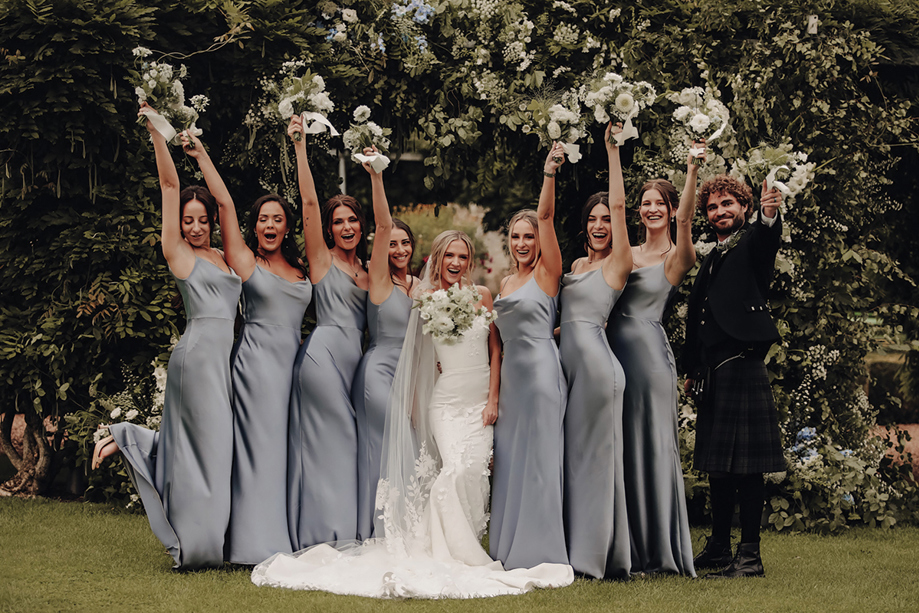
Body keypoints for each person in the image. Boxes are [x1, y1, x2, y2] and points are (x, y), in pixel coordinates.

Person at [251, 231, 573, 597]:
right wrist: (419, 403)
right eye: (449, 255)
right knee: (454, 470)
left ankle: (462, 541)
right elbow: (420, 358)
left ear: (469, 261)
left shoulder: (482, 295)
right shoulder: (425, 300)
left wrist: (493, 399)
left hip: (480, 399)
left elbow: (495, 349)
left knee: (475, 474)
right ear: (438, 258)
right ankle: (451, 550)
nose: (456, 263)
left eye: (463, 257)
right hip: (446, 402)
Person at [91, 104, 241, 569]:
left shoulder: (222, 256)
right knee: (210, 450)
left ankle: (127, 437)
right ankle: (200, 547)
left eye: (201, 219)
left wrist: (200, 154)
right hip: (196, 357)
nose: (193, 226)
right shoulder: (178, 254)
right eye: (187, 220)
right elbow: (170, 185)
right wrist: (159, 130)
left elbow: (228, 202)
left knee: (213, 450)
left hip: (222, 361)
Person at [182, 131, 312, 565]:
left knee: (284, 454)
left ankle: (282, 534)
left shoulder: (299, 267)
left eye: (277, 219)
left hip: (292, 370)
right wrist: (201, 154)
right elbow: (223, 206)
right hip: (255, 368)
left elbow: (313, 210)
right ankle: (252, 546)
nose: (270, 226)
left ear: (287, 226)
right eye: (263, 220)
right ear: (254, 227)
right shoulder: (245, 261)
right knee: (259, 453)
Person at [606, 144, 706, 577]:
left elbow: (686, 219)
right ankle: (631, 550)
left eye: (657, 204)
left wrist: (691, 170)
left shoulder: (677, 257)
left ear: (668, 209)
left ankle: (663, 554)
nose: (650, 210)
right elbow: (615, 205)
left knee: (654, 450)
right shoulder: (626, 251)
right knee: (625, 449)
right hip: (613, 357)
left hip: (649, 361)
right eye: (644, 204)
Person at [683, 174, 785, 578]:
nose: (720, 212)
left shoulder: (752, 244)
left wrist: (769, 213)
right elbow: (698, 317)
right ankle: (720, 548)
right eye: (712, 207)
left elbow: (767, 236)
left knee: (747, 467)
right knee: (718, 467)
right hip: (715, 370)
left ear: (744, 207)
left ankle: (750, 556)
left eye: (728, 204)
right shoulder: (714, 255)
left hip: (743, 365)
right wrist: (693, 368)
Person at [287, 115, 369, 550]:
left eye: (352, 220)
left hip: (355, 362)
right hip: (322, 358)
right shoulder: (322, 260)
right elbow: (309, 205)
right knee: (334, 443)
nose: (346, 227)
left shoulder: (370, 270)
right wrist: (300, 147)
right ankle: (328, 537)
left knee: (345, 446)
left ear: (361, 224)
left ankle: (336, 530)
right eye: (339, 222)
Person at [558, 123, 633, 579]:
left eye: (607, 219)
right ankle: (574, 546)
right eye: (594, 219)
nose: (601, 225)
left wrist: (612, 151)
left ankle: (597, 557)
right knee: (577, 458)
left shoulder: (618, 264)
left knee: (599, 462)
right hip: (571, 369)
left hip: (600, 372)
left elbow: (621, 204)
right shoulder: (577, 265)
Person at [489, 143, 568, 570]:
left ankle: (540, 550)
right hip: (512, 384)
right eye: (516, 237)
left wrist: (549, 173)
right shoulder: (503, 283)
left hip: (539, 374)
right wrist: (494, 395)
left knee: (539, 461)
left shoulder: (546, 272)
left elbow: (546, 216)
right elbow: (496, 343)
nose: (522, 242)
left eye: (528, 236)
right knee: (512, 463)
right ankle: (506, 549)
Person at [350, 147, 418, 541]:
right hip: (377, 373)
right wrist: (376, 176)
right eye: (391, 244)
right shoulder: (378, 280)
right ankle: (385, 532)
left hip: (408, 377)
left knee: (400, 448)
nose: (398, 250)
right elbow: (381, 221)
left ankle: (402, 529)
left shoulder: (419, 287)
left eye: (404, 243)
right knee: (396, 443)